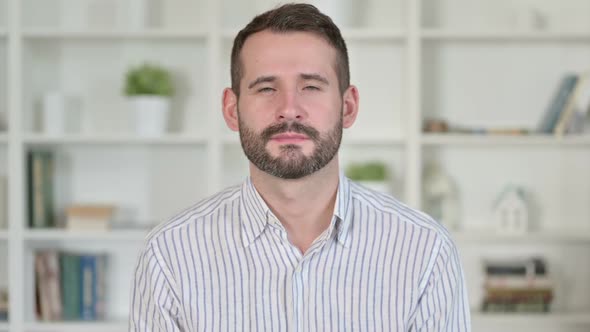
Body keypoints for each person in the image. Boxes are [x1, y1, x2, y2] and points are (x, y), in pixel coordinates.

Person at [129, 3, 471, 331]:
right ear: (232, 110)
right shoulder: (169, 255)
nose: (289, 109)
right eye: (266, 88)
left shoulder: (425, 251)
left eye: (310, 87)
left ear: (348, 106)